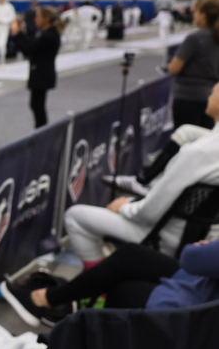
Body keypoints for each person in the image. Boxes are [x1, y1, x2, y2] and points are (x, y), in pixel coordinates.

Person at [63, 81, 219, 266]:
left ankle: (99, 287)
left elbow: (149, 212)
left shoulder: (197, 153)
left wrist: (124, 207)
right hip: (207, 234)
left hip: (165, 236)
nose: (209, 96)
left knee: (75, 217)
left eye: (214, 92)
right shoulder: (204, 147)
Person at [2, 238, 219, 326]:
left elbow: (191, 258)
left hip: (194, 317)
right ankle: (48, 299)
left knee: (77, 217)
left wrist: (126, 207)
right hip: (203, 288)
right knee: (131, 256)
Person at [166, 0, 219, 130]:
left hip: (188, 98)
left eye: (196, 12)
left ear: (204, 15)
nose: (194, 15)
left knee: (184, 143)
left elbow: (174, 68)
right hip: (213, 99)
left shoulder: (195, 39)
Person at [11, 5, 63, 128]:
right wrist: (20, 32)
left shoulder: (49, 36)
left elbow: (29, 50)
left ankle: (41, 131)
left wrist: (17, 34)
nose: (35, 19)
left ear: (46, 19)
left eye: (38, 17)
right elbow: (32, 44)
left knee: (37, 106)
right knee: (36, 105)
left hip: (42, 74)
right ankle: (41, 131)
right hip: (41, 73)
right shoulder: (47, 33)